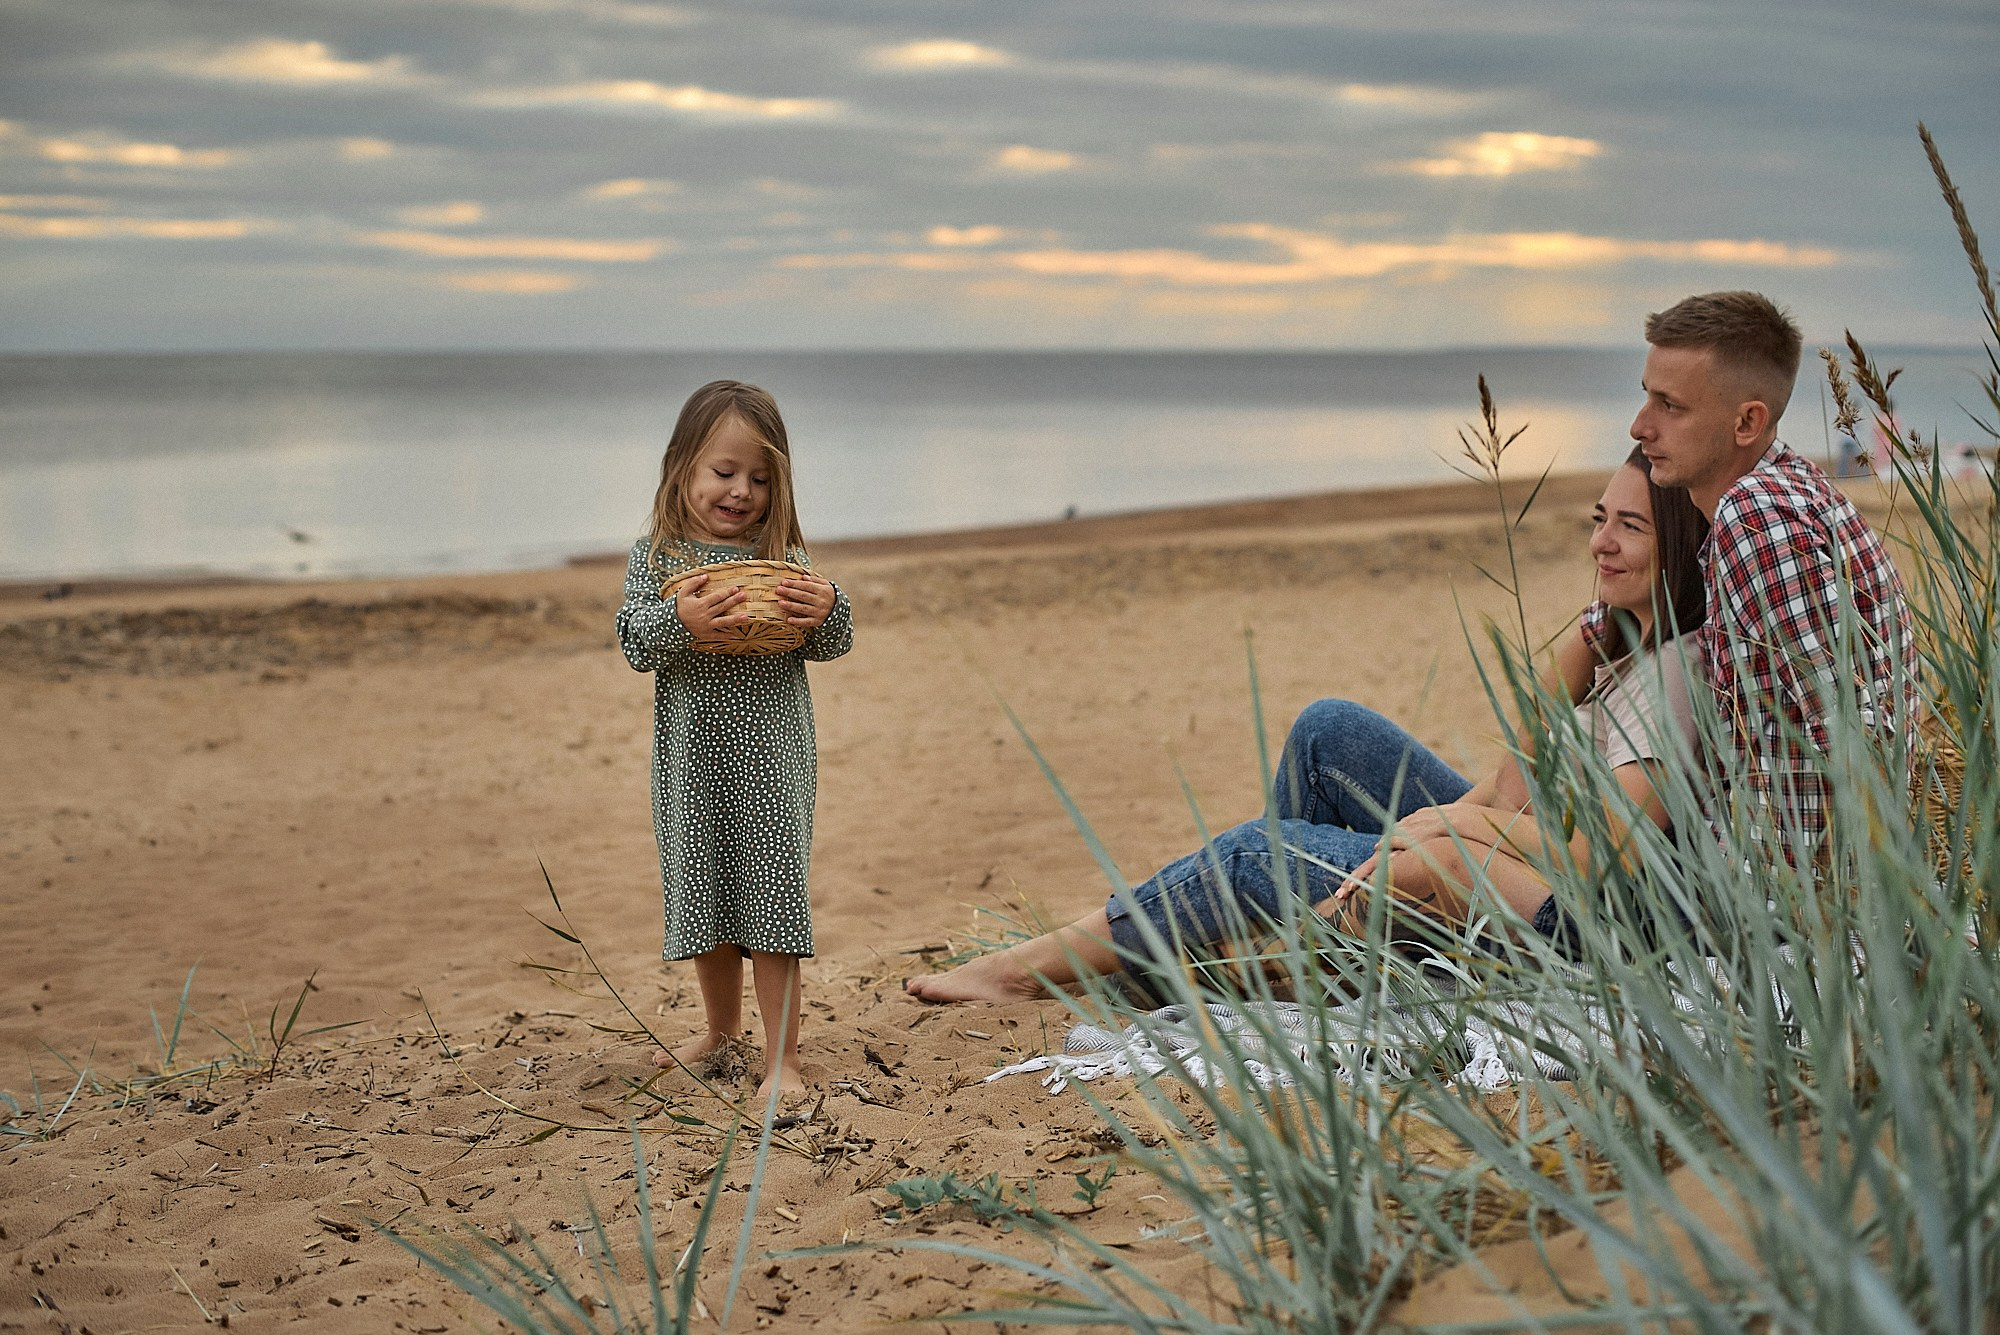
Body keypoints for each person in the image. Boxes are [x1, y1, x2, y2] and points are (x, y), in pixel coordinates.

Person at [905, 448, 1708, 1004]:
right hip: (1518, 854)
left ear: (1679, 546)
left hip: (1563, 915)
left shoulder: (1674, 672)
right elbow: (1512, 784)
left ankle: (1027, 969)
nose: (1601, 540)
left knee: (1262, 851)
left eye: (1630, 528)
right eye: (1600, 518)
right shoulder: (1625, 642)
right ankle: (1266, 944)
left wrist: (1461, 827)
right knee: (1329, 730)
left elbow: (1609, 861)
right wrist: (1572, 651)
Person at [1609, 291, 1914, 869]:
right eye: (1646, 397)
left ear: (1748, 421)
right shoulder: (1788, 488)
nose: (1639, 427)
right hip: (1747, 870)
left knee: (1410, 862)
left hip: (1771, 898)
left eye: (1669, 405)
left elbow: (1849, 748)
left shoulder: (1754, 516)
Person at [615, 380, 854, 1098]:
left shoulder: (783, 556)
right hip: (692, 763)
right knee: (709, 898)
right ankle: (720, 1032)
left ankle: (783, 1058)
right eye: (724, 472)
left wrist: (830, 605)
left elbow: (833, 642)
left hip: (774, 762)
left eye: (759, 477)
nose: (741, 491)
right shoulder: (656, 558)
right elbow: (633, 640)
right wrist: (677, 621)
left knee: (774, 906)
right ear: (682, 464)